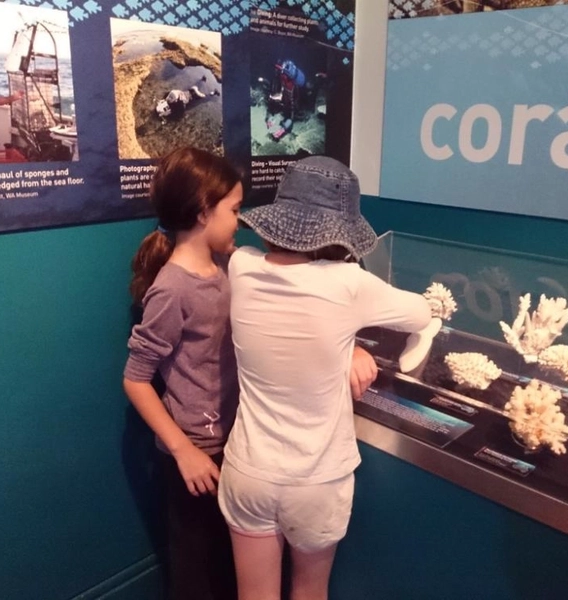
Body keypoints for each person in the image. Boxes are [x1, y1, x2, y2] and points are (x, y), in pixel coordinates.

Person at [122, 148, 377, 600]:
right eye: (235, 210)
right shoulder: (172, 288)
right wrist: (183, 451)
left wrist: (351, 345)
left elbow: (303, 304)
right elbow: (136, 378)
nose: (240, 222)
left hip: (242, 449)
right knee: (199, 578)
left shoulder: (233, 264)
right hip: (198, 457)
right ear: (203, 212)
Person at [218, 156, 433, 600]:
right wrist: (351, 340)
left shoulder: (241, 266)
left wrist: (347, 342)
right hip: (317, 481)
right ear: (341, 231)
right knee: (310, 592)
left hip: (247, 471)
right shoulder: (350, 283)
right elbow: (421, 313)